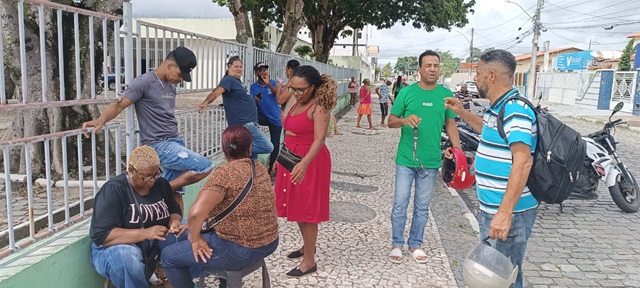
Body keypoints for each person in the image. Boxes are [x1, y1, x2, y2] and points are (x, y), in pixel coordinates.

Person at [445, 49, 537, 288]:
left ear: (492, 76)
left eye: (478, 73)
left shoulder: (516, 110)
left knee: (502, 278)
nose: (475, 78)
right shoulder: (498, 108)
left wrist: (505, 213)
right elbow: (488, 131)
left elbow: (523, 161)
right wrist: (463, 113)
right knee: (492, 275)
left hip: (509, 212)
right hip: (492, 208)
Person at [83, 47, 213, 211]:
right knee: (204, 166)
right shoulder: (144, 82)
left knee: (176, 194)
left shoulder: (171, 85)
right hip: (159, 144)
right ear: (169, 65)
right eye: (180, 75)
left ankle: (175, 227)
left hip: (175, 141)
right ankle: (157, 190)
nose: (179, 80)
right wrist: (101, 120)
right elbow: (120, 105)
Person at [161, 126, 279, 288]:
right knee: (191, 227)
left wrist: (196, 240)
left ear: (224, 149)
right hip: (269, 243)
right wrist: (195, 227)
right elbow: (237, 208)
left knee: (169, 256)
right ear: (250, 148)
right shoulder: (257, 167)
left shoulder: (224, 173)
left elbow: (196, 213)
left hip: (240, 249)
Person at [387, 50, 462, 264]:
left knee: (422, 205)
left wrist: (457, 153)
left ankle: (416, 243)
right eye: (428, 65)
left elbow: (451, 125)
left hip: (431, 162)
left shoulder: (445, 95)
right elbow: (390, 121)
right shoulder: (407, 93)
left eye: (436, 65)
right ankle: (397, 244)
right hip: (406, 160)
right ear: (419, 69)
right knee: (400, 203)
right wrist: (404, 120)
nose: (432, 69)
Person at [90, 146, 187, 288]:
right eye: (146, 176)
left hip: (152, 245)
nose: (152, 180)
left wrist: (175, 221)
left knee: (191, 232)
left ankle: (178, 282)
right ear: (131, 170)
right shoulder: (114, 190)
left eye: (156, 173)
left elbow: (174, 209)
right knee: (126, 257)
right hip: (114, 249)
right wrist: (145, 233)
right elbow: (102, 236)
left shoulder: (161, 184)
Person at [274, 65, 336, 278]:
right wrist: (279, 159)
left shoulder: (319, 106)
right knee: (298, 207)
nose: (297, 93)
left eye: (301, 90)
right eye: (293, 89)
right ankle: (307, 247)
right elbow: (289, 132)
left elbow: (319, 139)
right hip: (291, 157)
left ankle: (309, 261)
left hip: (310, 161)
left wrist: (304, 164)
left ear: (313, 87)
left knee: (308, 211)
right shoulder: (295, 102)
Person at [197, 56, 274, 159]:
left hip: (251, 123)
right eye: (236, 66)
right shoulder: (228, 80)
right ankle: (234, 148)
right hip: (244, 124)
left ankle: (249, 171)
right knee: (268, 147)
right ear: (229, 67)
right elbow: (216, 92)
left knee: (251, 160)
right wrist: (206, 102)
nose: (239, 69)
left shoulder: (238, 82)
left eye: (241, 67)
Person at [250, 62, 282, 173]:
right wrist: (256, 100)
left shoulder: (274, 83)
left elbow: (279, 97)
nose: (263, 72)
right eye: (260, 70)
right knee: (250, 127)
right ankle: (253, 164)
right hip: (261, 117)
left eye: (265, 70)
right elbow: (252, 104)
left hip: (275, 118)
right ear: (256, 73)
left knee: (275, 144)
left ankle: (271, 168)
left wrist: (268, 84)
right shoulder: (253, 87)